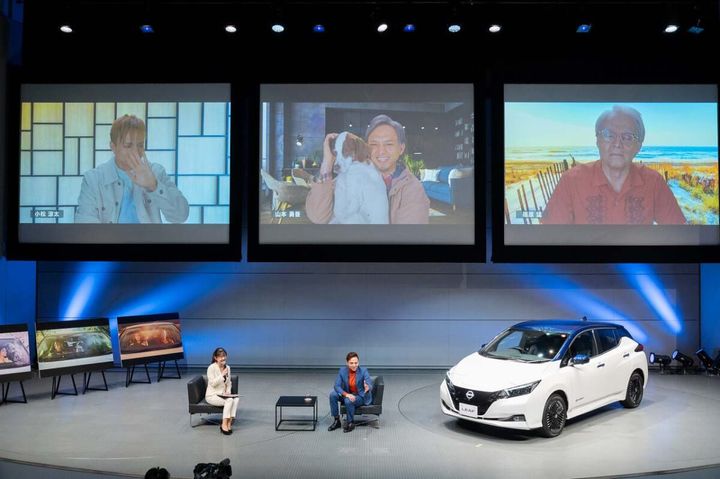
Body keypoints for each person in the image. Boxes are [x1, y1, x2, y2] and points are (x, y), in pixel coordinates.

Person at [542, 105, 686, 225]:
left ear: (638, 146)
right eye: (608, 135)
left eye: (627, 137)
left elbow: (679, 235)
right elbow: (549, 238)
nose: (617, 144)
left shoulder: (654, 182)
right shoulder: (571, 181)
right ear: (597, 141)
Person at [306, 114, 430, 224]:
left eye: (389, 144)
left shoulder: (412, 189)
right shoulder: (349, 175)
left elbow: (408, 236)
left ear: (401, 149)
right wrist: (327, 164)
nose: (381, 151)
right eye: (374, 144)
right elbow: (318, 217)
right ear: (366, 148)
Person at [75, 114, 189, 224]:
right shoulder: (93, 179)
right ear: (113, 147)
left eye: (140, 145)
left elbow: (181, 216)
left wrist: (153, 186)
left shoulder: (156, 172)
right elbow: (85, 226)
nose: (135, 151)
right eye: (128, 145)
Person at [328, 352, 373, 433]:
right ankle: (337, 421)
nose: (354, 365)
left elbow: (369, 384)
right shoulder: (342, 371)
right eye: (351, 363)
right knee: (333, 395)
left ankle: (350, 423)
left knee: (348, 400)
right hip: (348, 394)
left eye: (356, 363)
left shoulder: (363, 371)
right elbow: (336, 386)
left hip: (360, 396)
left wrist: (367, 387)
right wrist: (346, 394)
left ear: (358, 362)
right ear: (347, 363)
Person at [205, 347, 239, 435]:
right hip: (212, 395)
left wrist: (228, 392)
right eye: (220, 357)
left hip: (223, 394)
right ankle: (224, 424)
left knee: (236, 399)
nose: (223, 358)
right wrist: (222, 375)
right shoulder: (211, 368)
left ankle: (229, 422)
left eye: (224, 356)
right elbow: (212, 383)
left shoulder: (228, 367)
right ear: (215, 358)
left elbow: (229, 383)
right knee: (230, 400)